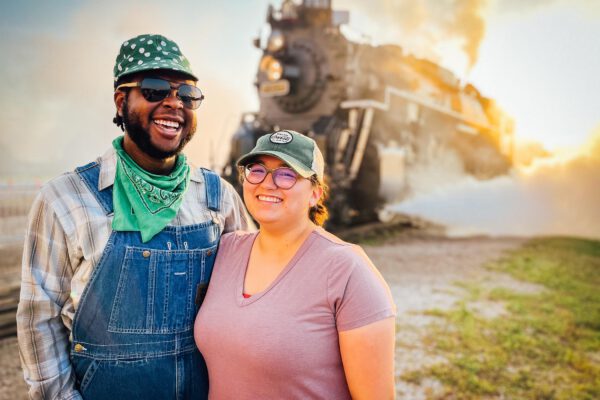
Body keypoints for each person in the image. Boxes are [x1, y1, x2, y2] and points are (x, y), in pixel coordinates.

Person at [17, 33, 252, 400]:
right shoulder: (65, 198)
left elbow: (251, 297)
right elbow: (39, 318)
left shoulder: (217, 196)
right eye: (155, 90)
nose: (174, 103)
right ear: (121, 100)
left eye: (187, 94)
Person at [194, 130, 397, 399]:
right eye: (257, 170)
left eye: (287, 174)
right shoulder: (226, 249)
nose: (267, 184)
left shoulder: (347, 269)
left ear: (315, 194)